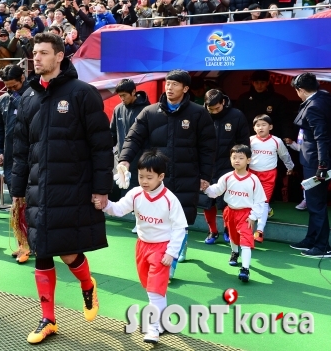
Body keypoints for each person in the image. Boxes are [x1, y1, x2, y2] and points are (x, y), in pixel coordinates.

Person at [11, 33, 113, 344]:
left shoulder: (84, 93)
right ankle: (48, 319)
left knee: (67, 250)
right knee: (42, 250)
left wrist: (101, 188)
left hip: (73, 187)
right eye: (34, 53)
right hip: (38, 188)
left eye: (43, 53)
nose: (36, 58)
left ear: (59, 56)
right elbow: (20, 147)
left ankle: (87, 286)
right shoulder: (27, 97)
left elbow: (101, 146)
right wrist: (17, 189)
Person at [117, 69, 216, 279]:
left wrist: (205, 175)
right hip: (157, 178)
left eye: (175, 84)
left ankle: (178, 249)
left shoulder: (199, 113)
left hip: (186, 175)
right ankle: (167, 265)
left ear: (186, 88)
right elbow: (133, 137)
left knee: (181, 220)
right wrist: (124, 159)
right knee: (161, 221)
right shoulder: (150, 112)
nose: (169, 88)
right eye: (168, 83)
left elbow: (208, 148)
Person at [98, 150, 186, 344]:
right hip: (142, 246)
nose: (144, 181)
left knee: (155, 290)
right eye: (140, 176)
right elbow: (119, 209)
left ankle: (154, 328)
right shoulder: (136, 193)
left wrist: (172, 253)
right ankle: (162, 321)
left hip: (162, 249)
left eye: (149, 177)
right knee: (150, 288)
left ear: (161, 177)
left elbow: (181, 227)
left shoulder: (170, 199)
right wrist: (104, 204)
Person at [204, 145, 266, 282]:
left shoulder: (254, 180)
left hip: (246, 215)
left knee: (246, 242)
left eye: (241, 158)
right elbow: (216, 191)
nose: (237, 160)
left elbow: (260, 201)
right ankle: (234, 253)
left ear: (248, 160)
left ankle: (245, 269)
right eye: (234, 158)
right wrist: (206, 189)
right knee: (233, 236)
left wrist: (253, 216)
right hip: (230, 212)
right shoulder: (227, 177)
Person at [0, 64, 30, 262]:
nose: (10, 90)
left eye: (13, 86)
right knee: (17, 203)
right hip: (11, 161)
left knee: (31, 204)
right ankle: (23, 243)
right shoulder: (3, 101)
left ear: (23, 78)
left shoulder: (34, 96)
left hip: (33, 160)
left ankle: (32, 243)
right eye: (7, 87)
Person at [289, 73, 331, 257]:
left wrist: (322, 165)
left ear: (300, 90)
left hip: (315, 161)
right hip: (315, 159)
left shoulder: (314, 106)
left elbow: (322, 137)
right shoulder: (324, 97)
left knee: (316, 203)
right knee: (315, 202)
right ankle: (312, 238)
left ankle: (322, 246)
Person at [203, 89, 249, 245]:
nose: (214, 112)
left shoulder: (237, 115)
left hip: (228, 164)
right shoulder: (200, 115)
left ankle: (228, 230)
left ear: (223, 102)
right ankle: (212, 231)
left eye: (217, 108)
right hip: (206, 164)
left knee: (227, 202)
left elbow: (244, 143)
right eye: (211, 109)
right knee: (207, 201)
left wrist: (240, 164)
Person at [111, 78, 150, 232]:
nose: (122, 99)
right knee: (129, 192)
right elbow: (112, 133)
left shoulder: (147, 109)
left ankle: (143, 222)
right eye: (120, 96)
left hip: (142, 159)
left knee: (143, 190)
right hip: (123, 161)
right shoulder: (117, 109)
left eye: (124, 95)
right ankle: (138, 221)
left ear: (134, 92)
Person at [249, 114, 294, 243]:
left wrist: (290, 167)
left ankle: (260, 231)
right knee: (254, 201)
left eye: (264, 125)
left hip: (269, 175)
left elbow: (284, 155)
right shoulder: (250, 140)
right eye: (258, 125)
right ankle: (268, 210)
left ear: (271, 127)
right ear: (254, 128)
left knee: (263, 202)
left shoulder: (276, 141)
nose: (261, 128)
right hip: (252, 174)